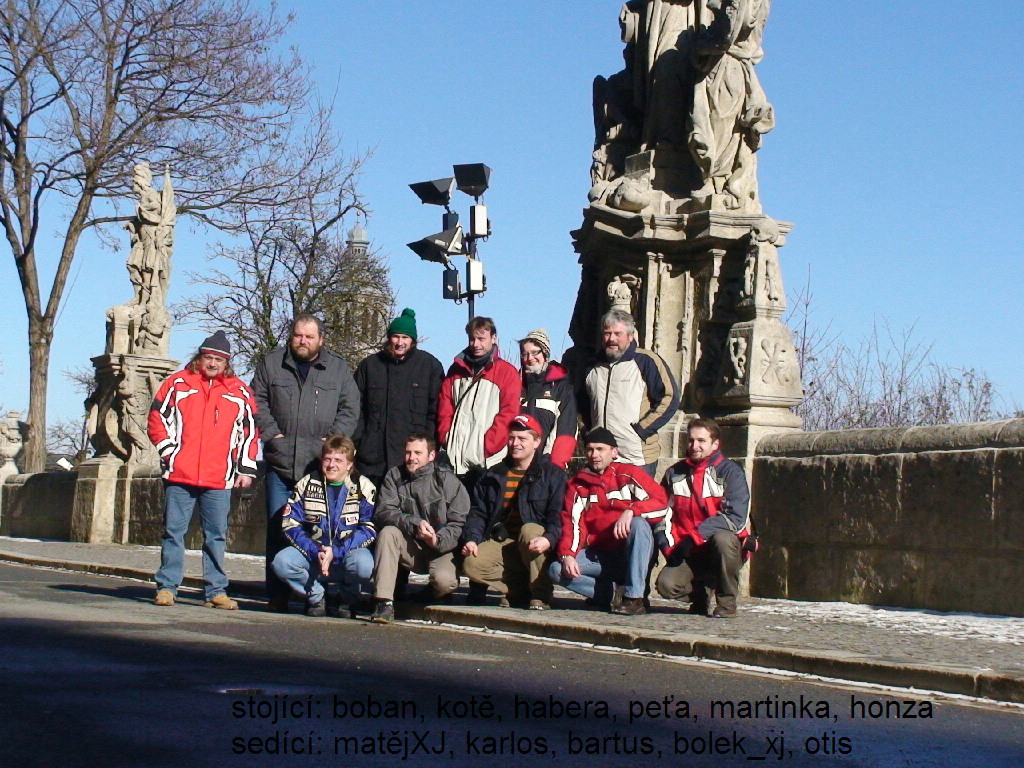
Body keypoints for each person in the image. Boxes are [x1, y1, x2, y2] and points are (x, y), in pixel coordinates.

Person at [251, 314, 360, 612]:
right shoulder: (271, 363)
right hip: (281, 464)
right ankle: (277, 594)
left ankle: (314, 592)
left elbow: (350, 409)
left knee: (318, 531)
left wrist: (332, 442)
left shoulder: (337, 368)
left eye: (309, 337)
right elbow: (256, 401)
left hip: (318, 467)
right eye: (298, 335)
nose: (303, 341)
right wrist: (272, 435)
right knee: (278, 530)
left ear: (321, 339)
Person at [148, 331, 258, 609]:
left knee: (216, 536)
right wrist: (169, 452)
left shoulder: (239, 392)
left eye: (218, 360)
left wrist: (246, 469)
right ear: (199, 358)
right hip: (180, 474)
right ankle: (167, 587)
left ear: (227, 363)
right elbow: (156, 418)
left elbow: (250, 433)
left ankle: (215, 590)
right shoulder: (177, 383)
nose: (212, 364)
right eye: (208, 357)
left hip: (219, 477)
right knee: (173, 532)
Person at [550, 427, 667, 616]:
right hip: (599, 555)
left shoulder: (629, 474)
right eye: (590, 449)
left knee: (639, 524)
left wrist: (632, 510)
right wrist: (567, 555)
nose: (594, 454)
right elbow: (573, 523)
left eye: (600, 449)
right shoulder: (578, 485)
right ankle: (614, 594)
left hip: (630, 553)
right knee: (556, 569)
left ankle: (634, 597)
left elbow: (661, 503)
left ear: (614, 452)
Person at [461, 414, 566, 609]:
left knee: (530, 530)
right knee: (472, 564)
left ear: (536, 442)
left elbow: (558, 515)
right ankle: (518, 590)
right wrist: (472, 539)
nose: (515, 443)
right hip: (505, 541)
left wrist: (549, 538)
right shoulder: (494, 474)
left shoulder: (553, 475)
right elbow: (479, 513)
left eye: (522, 438)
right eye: (511, 438)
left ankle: (540, 594)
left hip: (537, 544)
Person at [655, 417, 752, 618]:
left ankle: (726, 604)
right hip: (688, 550)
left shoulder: (731, 472)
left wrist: (695, 537)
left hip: (721, 548)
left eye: (701, 441)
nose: (694, 446)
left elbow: (735, 518)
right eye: (691, 440)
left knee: (723, 539)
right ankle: (701, 592)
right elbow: (661, 513)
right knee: (666, 586)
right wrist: (668, 547)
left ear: (715, 444)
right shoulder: (674, 473)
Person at [272, 435, 376, 618]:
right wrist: (316, 550)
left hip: (346, 556)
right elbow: (290, 524)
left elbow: (369, 528)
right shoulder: (307, 483)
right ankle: (317, 597)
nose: (331, 465)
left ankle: (346, 599)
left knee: (364, 564)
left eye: (338, 460)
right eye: (327, 459)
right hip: (314, 556)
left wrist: (336, 551)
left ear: (349, 464)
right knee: (282, 562)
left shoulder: (364, 487)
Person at [370, 433, 469, 623]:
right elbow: (384, 511)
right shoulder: (394, 476)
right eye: (408, 452)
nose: (411, 458)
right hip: (410, 545)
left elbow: (458, 523)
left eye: (417, 453)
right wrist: (414, 523)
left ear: (431, 456)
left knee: (445, 582)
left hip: (441, 548)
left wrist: (436, 539)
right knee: (388, 533)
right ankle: (383, 602)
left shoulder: (447, 481)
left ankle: (434, 592)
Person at [353, 308, 444, 487]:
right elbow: (356, 409)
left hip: (412, 460)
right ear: (389, 338)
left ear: (412, 340)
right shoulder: (370, 366)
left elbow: (435, 412)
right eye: (396, 337)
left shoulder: (429, 366)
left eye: (405, 337)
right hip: (373, 459)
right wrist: (359, 442)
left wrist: (427, 448)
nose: (400, 342)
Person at [583, 309, 679, 477]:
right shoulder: (592, 367)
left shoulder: (646, 361)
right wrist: (589, 432)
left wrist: (642, 430)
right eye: (607, 333)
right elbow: (584, 404)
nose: (612, 339)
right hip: (602, 457)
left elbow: (669, 397)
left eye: (617, 333)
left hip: (636, 456)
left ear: (630, 336)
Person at [437, 316, 521, 481]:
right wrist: (446, 438)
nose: (476, 344)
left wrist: (486, 447)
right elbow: (445, 407)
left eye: (481, 339)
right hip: (454, 461)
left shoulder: (507, 372)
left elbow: (508, 414)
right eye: (472, 339)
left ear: (493, 338)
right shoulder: (455, 370)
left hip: (488, 463)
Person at [518, 329, 578, 470]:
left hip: (546, 467)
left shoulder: (561, 387)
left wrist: (554, 466)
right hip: (516, 465)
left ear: (545, 354)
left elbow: (566, 430)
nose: (530, 358)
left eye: (535, 353)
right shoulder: (515, 385)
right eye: (525, 354)